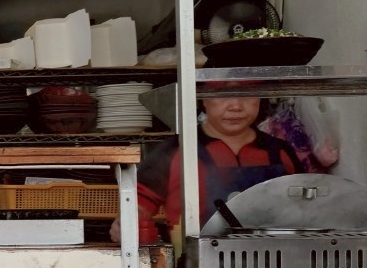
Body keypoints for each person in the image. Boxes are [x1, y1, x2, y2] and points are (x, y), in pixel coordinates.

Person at [113, 95, 301, 244]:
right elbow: (139, 201)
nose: (236, 106)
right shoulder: (176, 150)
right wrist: (128, 222)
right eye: (222, 95)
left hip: (274, 263)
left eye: (246, 94)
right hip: (193, 266)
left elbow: (304, 208)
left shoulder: (280, 152)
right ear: (203, 98)